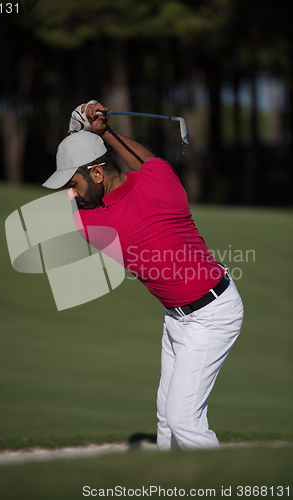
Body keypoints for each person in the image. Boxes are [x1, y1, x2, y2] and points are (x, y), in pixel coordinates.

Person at [42, 101, 244, 450]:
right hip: (177, 319)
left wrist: (90, 134)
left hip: (213, 314)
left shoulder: (103, 218)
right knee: (167, 419)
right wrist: (99, 134)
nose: (69, 193)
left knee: (182, 419)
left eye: (72, 183)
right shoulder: (158, 183)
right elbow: (148, 162)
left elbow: (143, 165)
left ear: (97, 174)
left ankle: (221, 481)